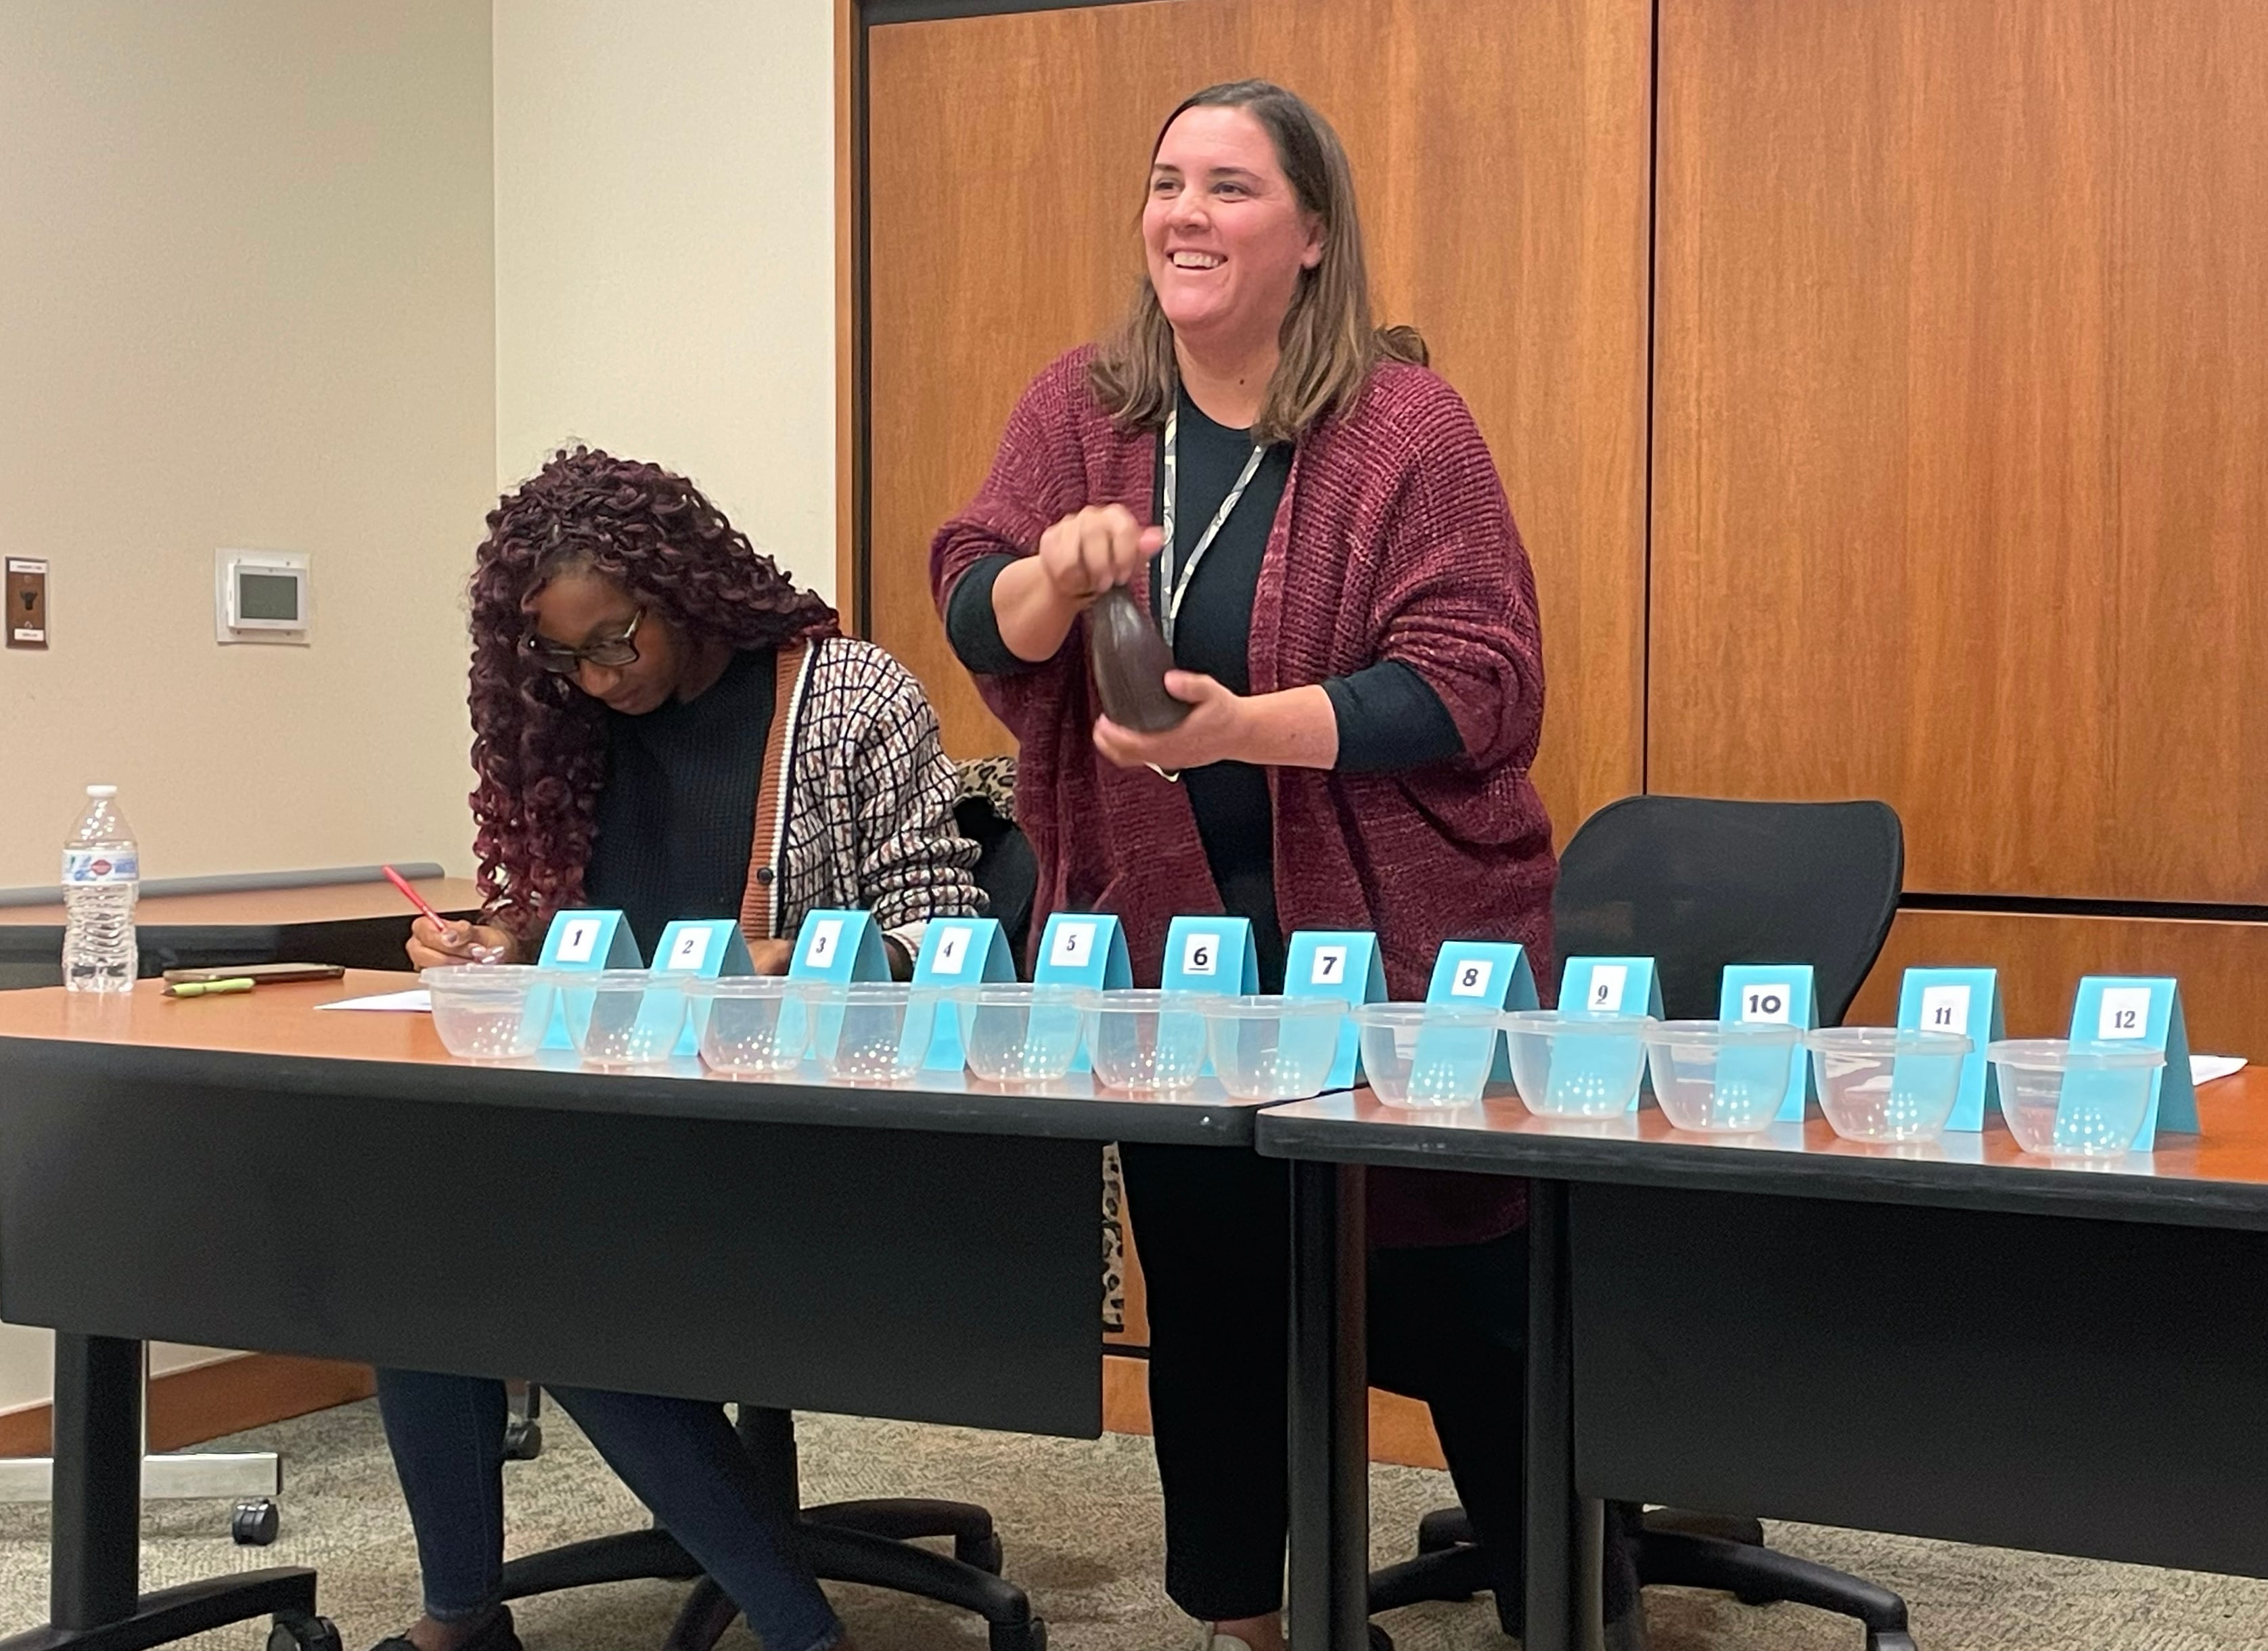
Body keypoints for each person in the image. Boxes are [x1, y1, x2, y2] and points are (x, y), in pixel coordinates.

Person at [933, 81, 1631, 1651]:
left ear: (1311, 236)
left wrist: (1247, 724)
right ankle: (1254, 1620)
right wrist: (1047, 570)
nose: (1185, 212)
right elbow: (975, 603)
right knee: (1217, 1299)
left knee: (1467, 1307)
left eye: (1231, 187)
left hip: (1394, 944)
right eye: (1166, 180)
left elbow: (1478, 677)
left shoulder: (1403, 426)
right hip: (1164, 950)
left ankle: (1565, 1616)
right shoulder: (1083, 410)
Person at [386, 448, 986, 1651]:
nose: (597, 679)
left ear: (686, 586)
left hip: (804, 1126)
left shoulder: (851, 697)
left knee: (552, 1272)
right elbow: (577, 934)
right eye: (561, 657)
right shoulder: (575, 735)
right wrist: (494, 943)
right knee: (413, 1254)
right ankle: (462, 1619)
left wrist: (795, 959)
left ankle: (799, 1630)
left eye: (616, 640)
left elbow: (950, 937)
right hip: (624, 1119)